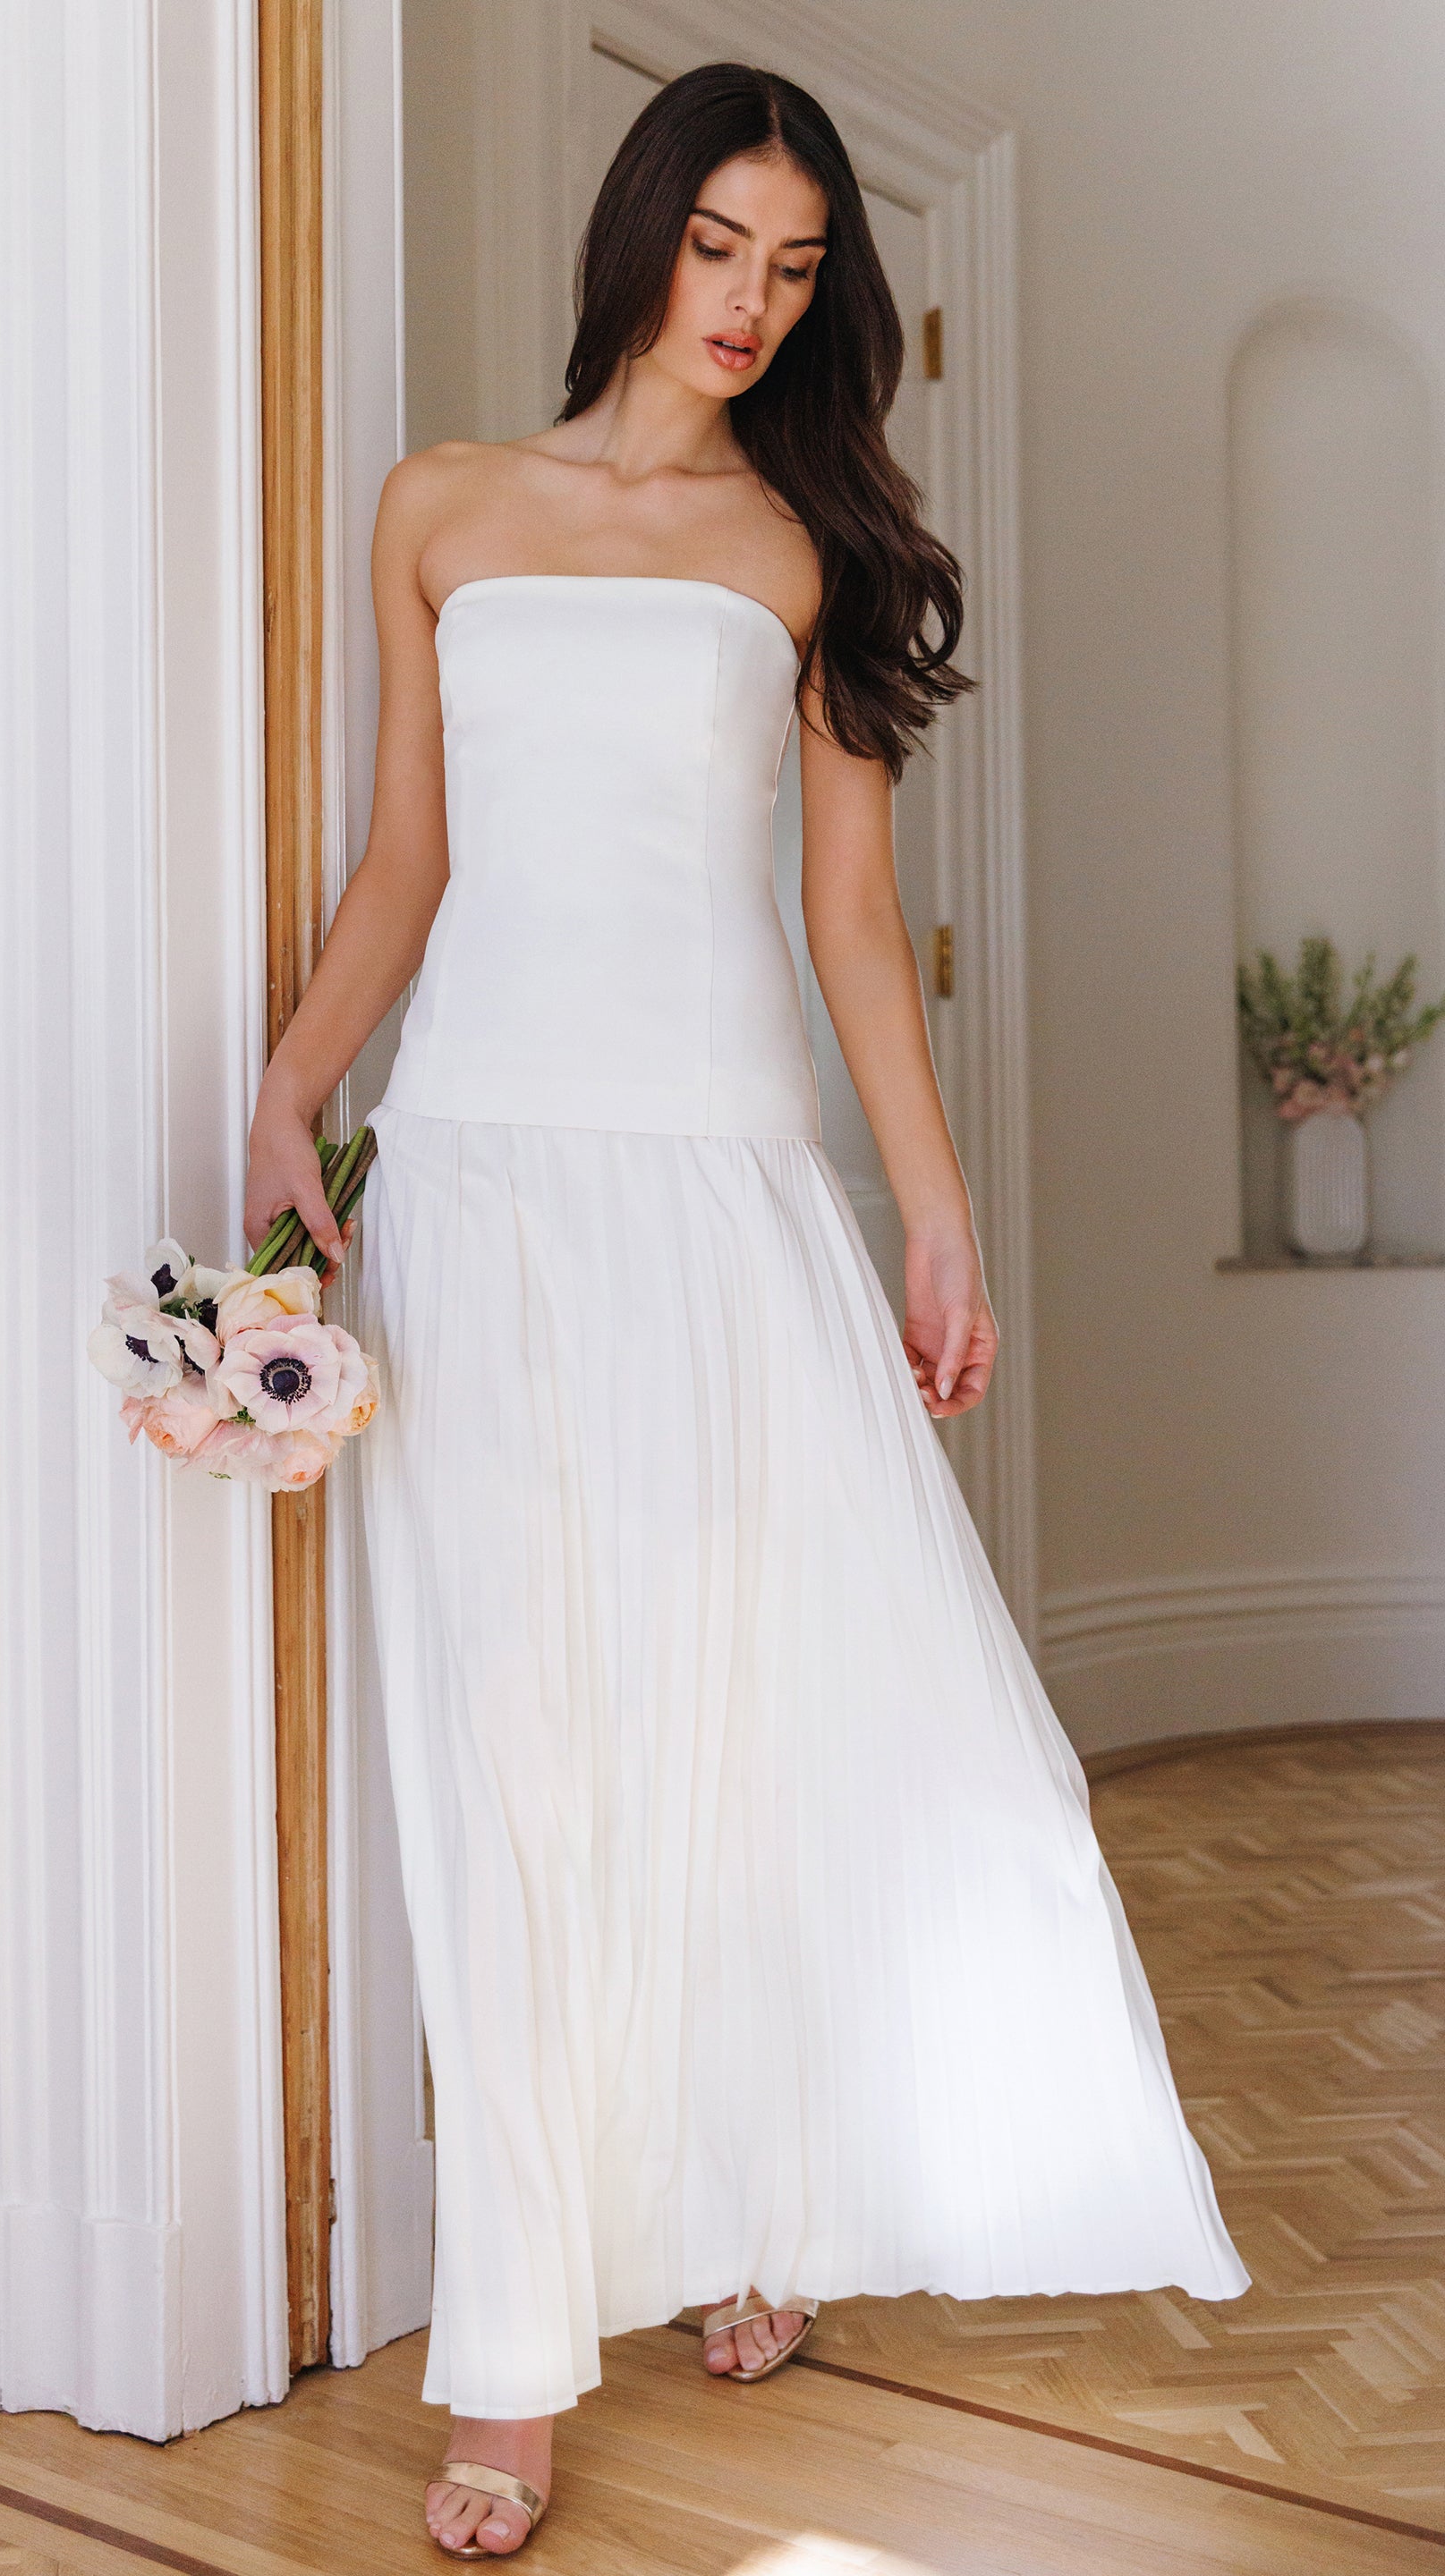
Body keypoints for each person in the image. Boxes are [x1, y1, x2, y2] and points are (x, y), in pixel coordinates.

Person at [243, 59, 1249, 2562]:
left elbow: (847, 929)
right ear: (640, 239)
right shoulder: (445, 508)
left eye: (794, 269)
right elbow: (409, 856)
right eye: (719, 247)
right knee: (508, 1760)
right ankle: (512, 2363)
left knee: (749, 1721)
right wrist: (291, 1090)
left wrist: (934, 1215)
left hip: (724, 1196)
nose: (749, 303)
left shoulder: (803, 546)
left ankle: (747, 2204)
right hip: (479, 1188)